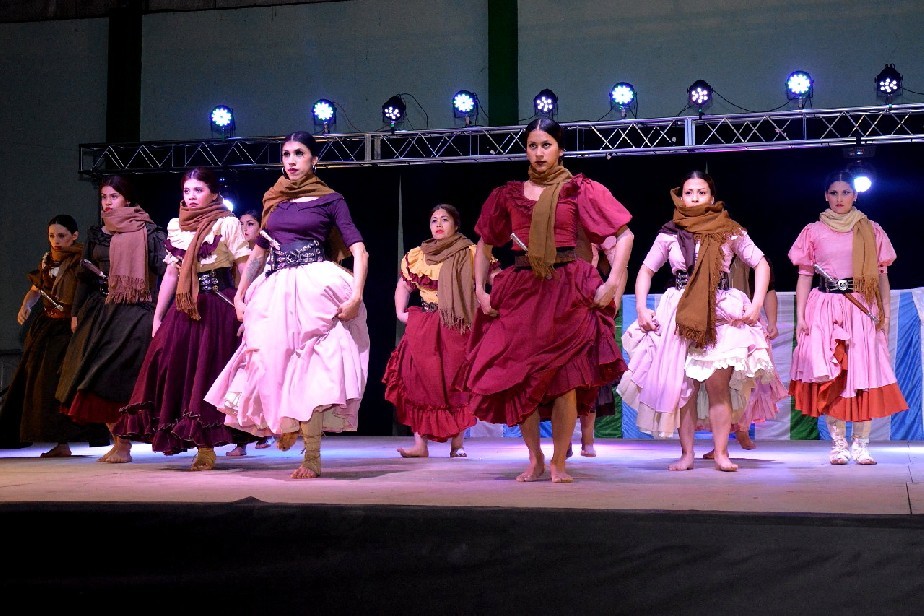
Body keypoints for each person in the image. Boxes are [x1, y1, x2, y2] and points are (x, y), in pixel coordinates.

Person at [458, 118, 634, 483]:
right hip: (523, 290)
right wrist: (479, 290)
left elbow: (625, 234)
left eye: (546, 145)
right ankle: (535, 458)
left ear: (560, 149)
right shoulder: (508, 194)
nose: (539, 153)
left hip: (567, 288)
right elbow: (485, 243)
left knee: (567, 380)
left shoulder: (578, 189)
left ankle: (558, 462)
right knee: (521, 378)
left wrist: (613, 281)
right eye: (533, 146)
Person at [205, 131, 370, 479]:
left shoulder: (330, 199)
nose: (291, 160)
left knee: (314, 365)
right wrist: (240, 294)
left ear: (314, 159)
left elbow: (359, 249)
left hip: (314, 285)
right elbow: (259, 251)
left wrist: (356, 295)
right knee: (268, 359)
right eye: (286, 154)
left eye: (299, 153)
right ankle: (286, 422)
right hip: (276, 288)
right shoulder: (274, 199)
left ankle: (312, 455)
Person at [617, 170, 779, 472]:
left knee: (718, 387)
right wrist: (641, 307)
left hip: (720, 310)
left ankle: (721, 453)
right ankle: (687, 454)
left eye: (701, 192)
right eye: (688, 192)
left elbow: (760, 263)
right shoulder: (670, 233)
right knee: (685, 388)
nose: (694, 198)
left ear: (712, 197)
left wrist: (757, 303)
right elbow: (645, 270)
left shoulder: (729, 230)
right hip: (681, 312)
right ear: (681, 197)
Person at [112, 167, 255, 470]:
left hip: (217, 305)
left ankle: (206, 447)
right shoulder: (177, 225)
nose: (191, 196)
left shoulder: (226, 223)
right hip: (184, 306)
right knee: (173, 367)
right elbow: (171, 273)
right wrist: (158, 314)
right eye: (187, 191)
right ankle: (191, 439)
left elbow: (244, 266)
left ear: (213, 194)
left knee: (208, 374)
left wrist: (247, 302)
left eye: (198, 190)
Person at [788, 169, 907, 465]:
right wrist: (801, 316)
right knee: (833, 375)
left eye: (845, 192)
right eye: (834, 192)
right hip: (825, 307)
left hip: (860, 306)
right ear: (825, 196)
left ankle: (861, 444)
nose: (839, 198)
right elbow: (805, 275)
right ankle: (838, 444)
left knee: (862, 373)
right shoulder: (813, 231)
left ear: (855, 195)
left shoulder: (871, 229)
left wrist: (884, 313)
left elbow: (882, 275)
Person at [56, 176, 167, 464]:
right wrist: (76, 312)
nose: (107, 202)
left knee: (118, 377)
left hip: (136, 309)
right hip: (101, 310)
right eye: (104, 197)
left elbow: (165, 272)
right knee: (93, 377)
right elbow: (83, 278)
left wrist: (161, 310)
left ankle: (125, 443)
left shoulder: (149, 231)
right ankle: (118, 440)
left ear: (127, 199)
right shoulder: (97, 234)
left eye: (113, 196)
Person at [0, 215, 110, 455]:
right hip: (48, 328)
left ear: (74, 236)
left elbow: (90, 292)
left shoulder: (82, 260)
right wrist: (25, 305)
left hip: (71, 329)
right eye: (52, 236)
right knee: (41, 383)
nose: (56, 241)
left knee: (67, 383)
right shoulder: (47, 261)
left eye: (61, 236)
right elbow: (36, 289)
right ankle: (59, 442)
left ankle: (71, 439)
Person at [383, 203, 478, 459]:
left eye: (444, 219)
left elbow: (489, 280)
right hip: (425, 323)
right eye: (434, 220)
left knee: (455, 382)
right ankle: (420, 444)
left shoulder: (470, 252)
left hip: (456, 323)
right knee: (417, 380)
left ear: (455, 225)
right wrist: (400, 312)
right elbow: (404, 285)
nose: (438, 224)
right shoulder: (418, 255)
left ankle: (457, 444)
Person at [702, 256, 786, 459]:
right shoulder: (707, 254)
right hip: (718, 325)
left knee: (749, 383)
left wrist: (772, 321)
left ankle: (742, 427)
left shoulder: (752, 259)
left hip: (747, 325)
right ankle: (719, 444)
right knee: (717, 386)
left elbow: (769, 290)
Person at [223, 208, 272, 457]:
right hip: (236, 315)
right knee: (238, 377)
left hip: (260, 317)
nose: (244, 229)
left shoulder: (265, 258)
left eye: (250, 224)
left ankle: (265, 430)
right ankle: (241, 439)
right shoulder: (235, 256)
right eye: (241, 224)